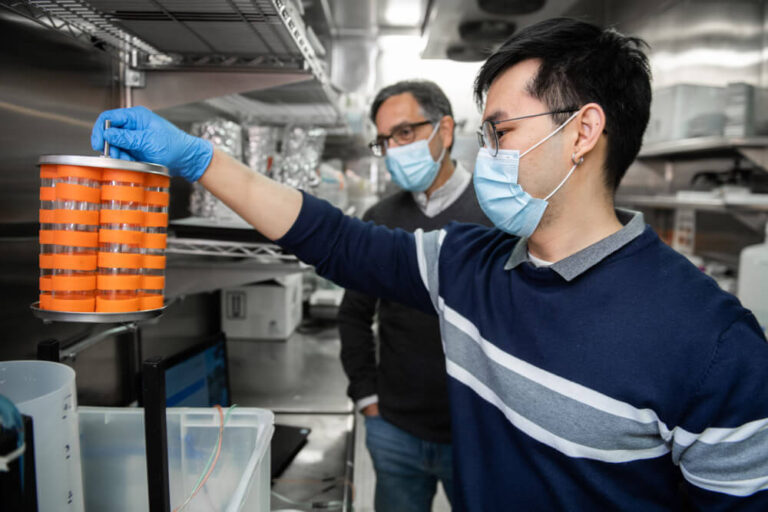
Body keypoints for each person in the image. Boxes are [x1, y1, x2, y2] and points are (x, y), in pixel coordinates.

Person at [91, 18, 768, 511]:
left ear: (583, 133)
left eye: (501, 132)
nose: (489, 154)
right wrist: (200, 160)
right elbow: (336, 241)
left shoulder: (712, 345)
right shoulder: (466, 265)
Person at [338, 80, 491, 512]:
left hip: (477, 436)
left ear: (445, 131)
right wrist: (367, 397)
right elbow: (354, 315)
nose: (394, 148)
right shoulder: (380, 218)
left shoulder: (496, 213)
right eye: (385, 139)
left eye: (405, 133)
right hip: (395, 430)